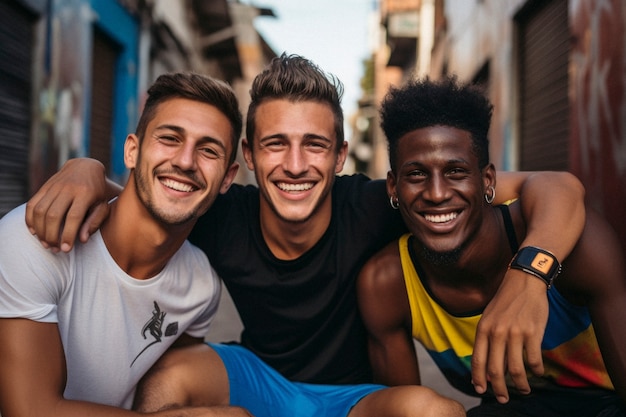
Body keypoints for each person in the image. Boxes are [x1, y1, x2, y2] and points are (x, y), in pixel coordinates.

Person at [25, 54, 585, 411]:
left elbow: (554, 186)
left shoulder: (378, 201)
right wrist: (90, 171)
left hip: (351, 397)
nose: (295, 165)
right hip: (259, 380)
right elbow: (146, 196)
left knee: (433, 411)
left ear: (340, 155)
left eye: (314, 145)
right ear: (246, 156)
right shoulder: (220, 210)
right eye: (275, 144)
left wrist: (530, 276)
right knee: (167, 376)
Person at [357, 76, 626, 416]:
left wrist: (528, 278)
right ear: (393, 187)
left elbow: (558, 184)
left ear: (487, 180)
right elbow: (404, 408)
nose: (437, 193)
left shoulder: (575, 245)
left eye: (455, 171)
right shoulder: (387, 285)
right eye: (416, 175)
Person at [0, 72, 252, 417]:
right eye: (170, 138)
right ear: (132, 150)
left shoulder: (202, 287)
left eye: (208, 150)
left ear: (227, 178)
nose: (185, 161)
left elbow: (163, 384)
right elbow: (30, 411)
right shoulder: (34, 241)